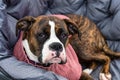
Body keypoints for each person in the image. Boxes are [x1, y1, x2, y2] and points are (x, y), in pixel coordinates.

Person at [0, 0, 120, 80]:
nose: (56, 45)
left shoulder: (68, 68)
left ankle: (105, 60)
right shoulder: (19, 55)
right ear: (24, 29)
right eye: (42, 36)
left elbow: (77, 74)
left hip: (82, 26)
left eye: (62, 36)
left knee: (85, 52)